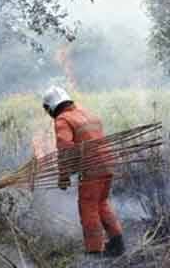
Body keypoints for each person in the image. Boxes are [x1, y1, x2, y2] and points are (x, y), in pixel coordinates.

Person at [42, 85, 124, 257]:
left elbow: (65, 150)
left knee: (88, 207)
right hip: (107, 165)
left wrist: (63, 176)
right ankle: (117, 244)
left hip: (92, 168)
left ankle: (94, 252)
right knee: (101, 203)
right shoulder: (86, 113)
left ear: (50, 108)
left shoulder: (63, 120)